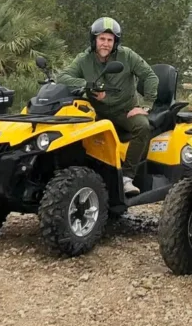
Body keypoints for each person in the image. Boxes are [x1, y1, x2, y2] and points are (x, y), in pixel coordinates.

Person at [56, 17, 158, 196]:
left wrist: (146, 105)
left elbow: (150, 76)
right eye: (102, 39)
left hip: (124, 110)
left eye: (110, 40)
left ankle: (127, 178)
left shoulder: (127, 56)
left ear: (115, 42)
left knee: (142, 126)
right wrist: (89, 85)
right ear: (94, 39)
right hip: (97, 112)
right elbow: (63, 78)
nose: (105, 44)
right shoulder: (84, 59)